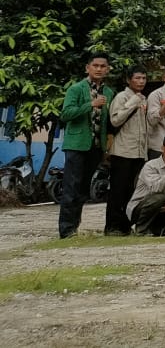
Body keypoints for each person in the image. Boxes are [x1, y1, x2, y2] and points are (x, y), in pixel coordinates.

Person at [58, 55, 114, 239]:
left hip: (96, 147)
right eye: (95, 65)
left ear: (107, 69)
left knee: (83, 190)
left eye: (102, 66)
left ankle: (75, 226)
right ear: (87, 68)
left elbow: (107, 123)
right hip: (76, 145)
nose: (99, 69)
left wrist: (106, 148)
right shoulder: (76, 89)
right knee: (71, 188)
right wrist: (91, 104)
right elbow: (66, 114)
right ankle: (66, 230)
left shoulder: (109, 92)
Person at [105, 66, 150, 236]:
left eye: (143, 78)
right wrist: (133, 103)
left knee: (132, 191)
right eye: (137, 78)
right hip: (122, 151)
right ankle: (112, 227)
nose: (141, 82)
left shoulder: (143, 98)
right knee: (118, 191)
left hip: (139, 152)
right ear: (129, 80)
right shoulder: (122, 97)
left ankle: (125, 225)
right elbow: (115, 120)